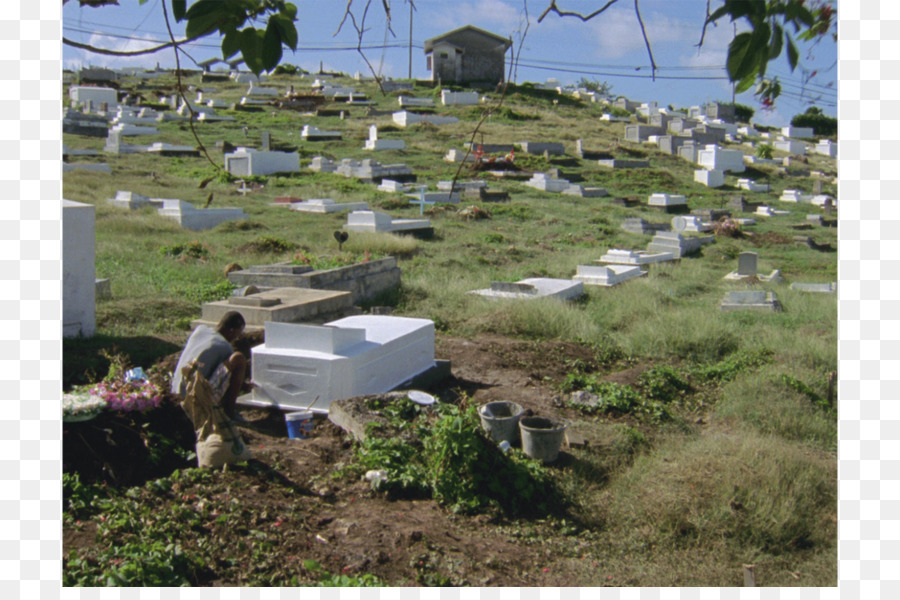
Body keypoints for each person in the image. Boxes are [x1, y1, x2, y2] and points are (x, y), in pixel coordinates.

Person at [171, 311, 249, 424]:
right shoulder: (224, 347)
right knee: (238, 359)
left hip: (176, 392)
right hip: (193, 400)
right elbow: (226, 378)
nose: (236, 338)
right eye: (237, 334)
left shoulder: (200, 330)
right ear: (231, 330)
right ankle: (229, 412)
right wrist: (244, 386)